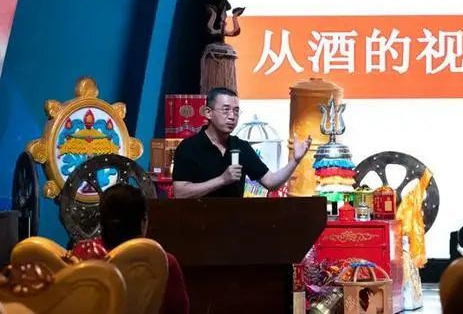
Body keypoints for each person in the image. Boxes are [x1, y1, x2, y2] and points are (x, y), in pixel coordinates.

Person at [172, 87, 312, 198]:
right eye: (226, 110)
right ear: (208, 113)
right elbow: (180, 192)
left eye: (236, 111)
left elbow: (271, 182)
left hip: (235, 221)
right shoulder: (189, 147)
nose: (232, 116)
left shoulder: (241, 147)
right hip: (199, 221)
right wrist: (222, 180)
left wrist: (295, 160)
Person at [71, 184, 189, 314]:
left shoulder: (81, 254)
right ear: (143, 223)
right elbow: (180, 310)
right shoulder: (164, 262)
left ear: (102, 222)